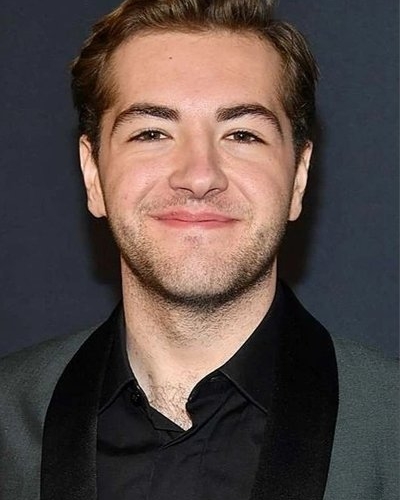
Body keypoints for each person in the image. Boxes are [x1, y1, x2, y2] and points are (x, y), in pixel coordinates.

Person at [0, 0, 397, 499]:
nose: (199, 175)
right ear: (93, 174)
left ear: (298, 176)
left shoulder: (389, 428)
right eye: (152, 133)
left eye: (241, 134)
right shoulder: (8, 420)